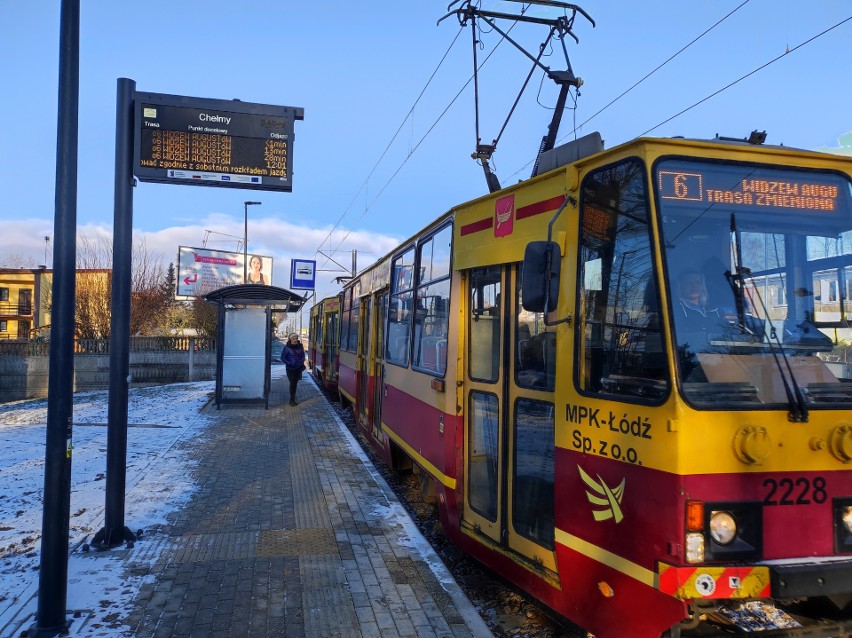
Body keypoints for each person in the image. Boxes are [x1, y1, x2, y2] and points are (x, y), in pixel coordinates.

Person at [281, 333, 306, 406]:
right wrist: (289, 363)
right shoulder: (287, 348)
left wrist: (301, 362)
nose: (295, 340)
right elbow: (283, 357)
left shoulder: (300, 346)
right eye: (293, 338)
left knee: (294, 383)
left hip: (298, 368)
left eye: (296, 338)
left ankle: (293, 398)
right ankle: (292, 400)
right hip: (290, 368)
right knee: (292, 383)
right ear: (290, 339)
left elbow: (302, 356)